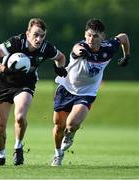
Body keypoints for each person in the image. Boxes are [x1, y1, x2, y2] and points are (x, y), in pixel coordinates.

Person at [0, 18, 67, 166]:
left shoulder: (46, 48)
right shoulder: (16, 42)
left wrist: (59, 68)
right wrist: (5, 70)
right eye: (35, 34)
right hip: (4, 84)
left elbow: (61, 57)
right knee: (0, 126)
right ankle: (1, 155)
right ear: (28, 33)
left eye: (42, 35)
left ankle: (18, 146)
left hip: (26, 84)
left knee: (20, 116)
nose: (39, 38)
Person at [51, 18, 131, 166]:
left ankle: (71, 134)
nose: (90, 39)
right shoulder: (81, 47)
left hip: (87, 93)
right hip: (66, 89)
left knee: (71, 124)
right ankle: (57, 154)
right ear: (85, 35)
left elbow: (124, 37)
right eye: (88, 35)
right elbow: (77, 49)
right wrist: (83, 53)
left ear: (103, 37)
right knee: (58, 126)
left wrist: (126, 56)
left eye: (95, 36)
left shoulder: (109, 47)